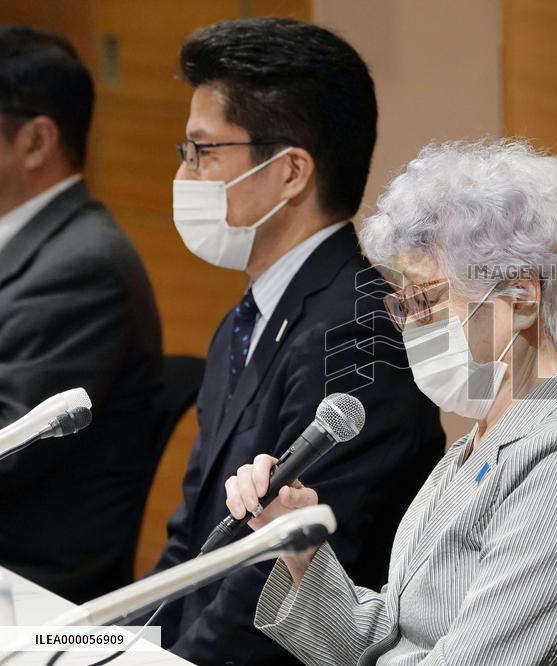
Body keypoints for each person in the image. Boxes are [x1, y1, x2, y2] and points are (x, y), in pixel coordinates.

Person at [223, 138, 557, 665]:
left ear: (523, 297)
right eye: (404, 303)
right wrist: (299, 547)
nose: (411, 323)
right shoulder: (476, 445)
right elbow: (389, 637)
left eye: (427, 298)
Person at [152, 18, 445, 664]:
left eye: (203, 152)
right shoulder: (248, 316)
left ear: (290, 173)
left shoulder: (358, 331)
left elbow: (281, 581)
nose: (186, 173)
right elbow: (192, 547)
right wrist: (87, 645)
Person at [0, 25, 163, 603]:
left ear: (36, 142)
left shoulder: (83, 267)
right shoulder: (31, 242)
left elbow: (9, 444)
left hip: (33, 584)